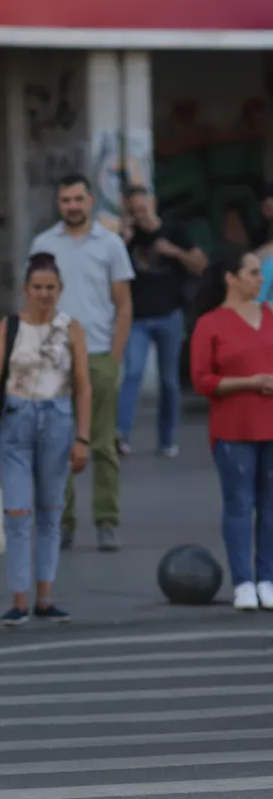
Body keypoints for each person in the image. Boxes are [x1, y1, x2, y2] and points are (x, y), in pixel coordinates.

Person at [0, 253, 91, 625]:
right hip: (17, 419)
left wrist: (83, 438)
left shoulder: (72, 329)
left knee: (51, 510)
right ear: (25, 289)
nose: (44, 295)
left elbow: (83, 385)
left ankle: (45, 596)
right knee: (17, 511)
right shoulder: (9, 327)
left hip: (57, 418)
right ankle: (19, 599)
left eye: (50, 288)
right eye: (37, 288)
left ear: (60, 289)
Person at [29, 173, 134, 552]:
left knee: (103, 443)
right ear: (59, 204)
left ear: (90, 201)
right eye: (65, 200)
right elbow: (33, 300)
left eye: (78, 199)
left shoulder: (110, 245)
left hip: (99, 353)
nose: (72, 206)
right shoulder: (44, 244)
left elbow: (123, 305)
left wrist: (115, 358)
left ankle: (107, 520)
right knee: (57, 444)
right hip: (54, 357)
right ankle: (63, 520)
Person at [189, 245, 273, 611]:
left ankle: (268, 577)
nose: (260, 279)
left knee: (271, 507)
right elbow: (203, 380)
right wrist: (250, 382)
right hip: (233, 427)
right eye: (253, 273)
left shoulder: (270, 315)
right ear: (231, 278)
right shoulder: (210, 324)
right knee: (239, 504)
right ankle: (243, 580)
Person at [117, 185, 207, 457]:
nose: (140, 214)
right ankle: (121, 435)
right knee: (132, 373)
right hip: (137, 318)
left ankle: (167, 440)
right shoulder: (127, 239)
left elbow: (202, 265)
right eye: (134, 210)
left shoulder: (174, 231)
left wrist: (175, 252)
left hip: (169, 315)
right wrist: (124, 238)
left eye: (143, 208)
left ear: (153, 203)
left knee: (169, 380)